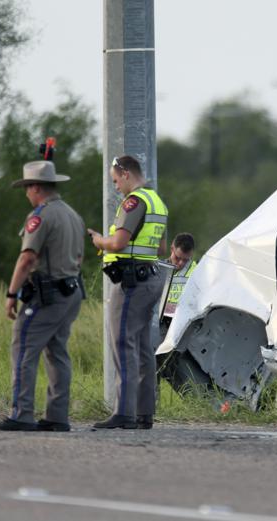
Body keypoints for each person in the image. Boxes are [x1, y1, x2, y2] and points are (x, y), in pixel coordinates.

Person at [0, 161, 86, 432]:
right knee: (57, 352)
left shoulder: (40, 216)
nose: (26, 194)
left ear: (36, 187)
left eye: (26, 188)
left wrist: (12, 293)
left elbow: (27, 258)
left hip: (48, 294)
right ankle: (57, 416)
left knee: (23, 349)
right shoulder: (72, 215)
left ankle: (21, 413)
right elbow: (79, 257)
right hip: (71, 292)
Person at [88, 155, 168, 430]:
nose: (116, 187)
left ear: (125, 173)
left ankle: (124, 413)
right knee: (143, 346)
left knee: (123, 344)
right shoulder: (157, 201)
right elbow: (161, 248)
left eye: (115, 181)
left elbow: (119, 242)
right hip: (150, 278)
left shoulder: (134, 201)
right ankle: (144, 413)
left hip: (131, 283)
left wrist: (100, 240)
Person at [160, 232, 197, 334]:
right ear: (172, 248)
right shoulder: (159, 269)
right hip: (160, 324)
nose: (180, 263)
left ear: (192, 254)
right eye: (177, 258)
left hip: (182, 327)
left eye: (186, 260)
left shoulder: (197, 272)